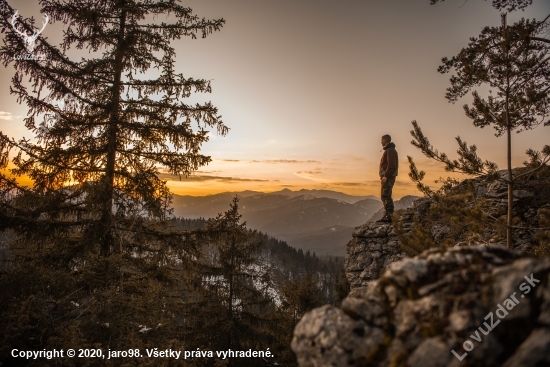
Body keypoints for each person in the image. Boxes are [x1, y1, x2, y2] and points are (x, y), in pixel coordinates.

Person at [377, 134, 398, 223]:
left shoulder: (390, 151)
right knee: (385, 196)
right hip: (387, 177)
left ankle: (389, 216)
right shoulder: (390, 150)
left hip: (388, 177)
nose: (381, 142)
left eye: (382, 140)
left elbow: (391, 165)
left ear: (385, 140)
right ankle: (388, 214)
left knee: (386, 195)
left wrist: (385, 176)